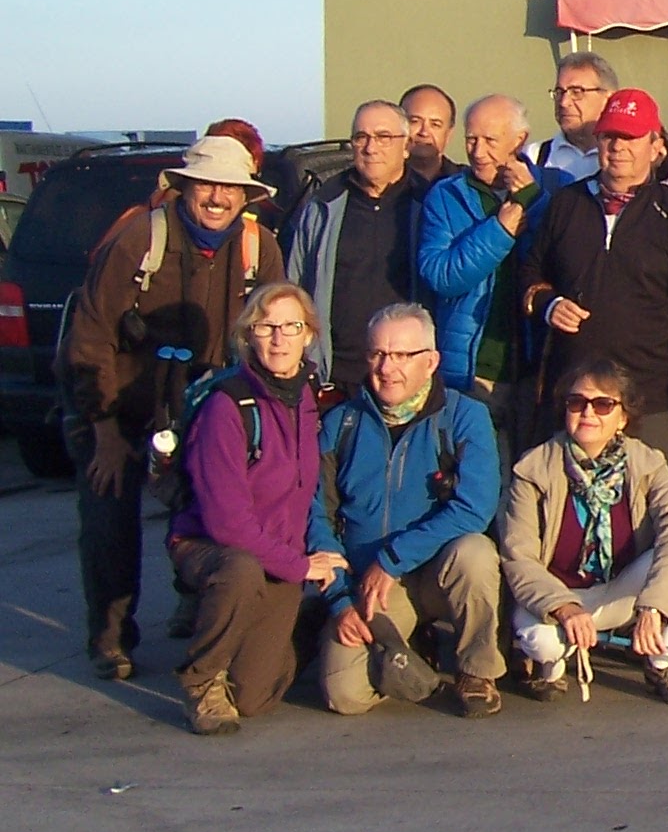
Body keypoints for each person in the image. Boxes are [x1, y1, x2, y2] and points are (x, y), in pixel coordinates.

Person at [60, 133, 285, 678]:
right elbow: (88, 339)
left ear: (246, 195)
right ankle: (110, 639)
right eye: (206, 183)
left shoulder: (261, 250)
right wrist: (106, 432)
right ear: (185, 186)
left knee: (218, 522)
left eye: (229, 187)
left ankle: (206, 622)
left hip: (209, 416)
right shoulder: (140, 237)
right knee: (109, 521)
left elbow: (274, 339)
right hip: (119, 407)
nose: (217, 197)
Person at [310, 304, 507, 717]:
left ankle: (476, 669)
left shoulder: (466, 416)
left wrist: (394, 558)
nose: (387, 367)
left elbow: (476, 507)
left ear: (431, 361)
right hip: (369, 586)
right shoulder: (339, 424)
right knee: (344, 695)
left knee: (476, 553)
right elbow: (317, 519)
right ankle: (407, 645)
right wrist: (340, 601)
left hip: (438, 572)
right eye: (378, 354)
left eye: (402, 355)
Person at [166, 282, 339, 735]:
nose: (279, 338)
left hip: (277, 553)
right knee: (239, 570)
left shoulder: (305, 397)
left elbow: (308, 491)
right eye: (266, 326)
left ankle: (299, 629)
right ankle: (201, 680)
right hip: (213, 548)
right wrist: (300, 566)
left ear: (309, 335)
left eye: (291, 326)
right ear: (249, 336)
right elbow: (228, 524)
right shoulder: (227, 406)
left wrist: (315, 556)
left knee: (255, 698)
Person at [499, 360, 668, 704]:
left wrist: (653, 608)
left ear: (623, 417)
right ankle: (551, 672)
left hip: (620, 587)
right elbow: (517, 555)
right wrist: (563, 607)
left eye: (603, 404)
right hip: (558, 596)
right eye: (576, 402)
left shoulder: (648, 464)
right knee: (543, 643)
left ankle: (659, 661)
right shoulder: (533, 469)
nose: (588, 413)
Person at [521, 88, 668, 457]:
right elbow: (530, 270)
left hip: (647, 399)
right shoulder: (567, 203)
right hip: (574, 398)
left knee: (640, 510)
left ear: (655, 145)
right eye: (610, 136)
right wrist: (548, 303)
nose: (618, 146)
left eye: (630, 137)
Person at [417, 95, 549, 453]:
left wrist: (533, 201)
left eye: (490, 141)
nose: (478, 151)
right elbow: (441, 275)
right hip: (473, 369)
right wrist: (501, 229)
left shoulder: (552, 190)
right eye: (471, 139)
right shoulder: (447, 197)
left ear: (519, 141)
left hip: (536, 370)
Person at [283, 100, 422, 388]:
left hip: (405, 378)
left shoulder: (430, 204)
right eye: (361, 137)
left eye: (384, 137)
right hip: (335, 377)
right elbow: (295, 286)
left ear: (406, 146)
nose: (371, 148)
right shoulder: (323, 206)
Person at [537, 53, 615, 181]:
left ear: (608, 98)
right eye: (559, 92)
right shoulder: (534, 157)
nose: (563, 102)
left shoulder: (623, 159)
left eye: (577, 92)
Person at [400, 84, 461, 188]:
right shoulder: (380, 182)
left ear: (449, 133)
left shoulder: (464, 184)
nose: (424, 132)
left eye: (435, 125)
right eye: (415, 121)